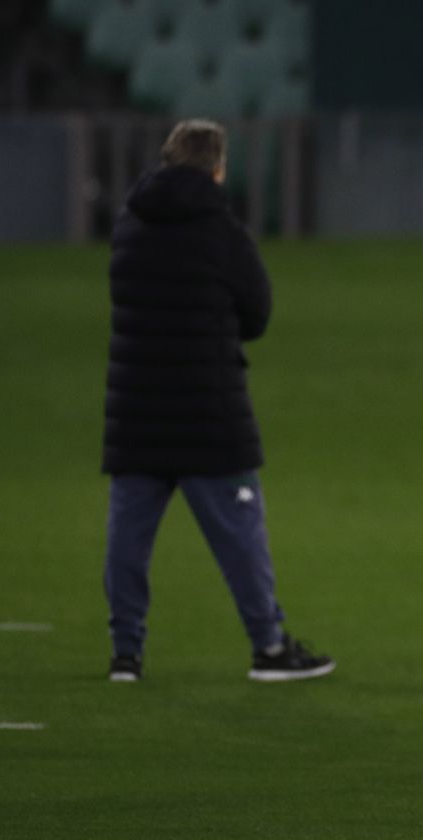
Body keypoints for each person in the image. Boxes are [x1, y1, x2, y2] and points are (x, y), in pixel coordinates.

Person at [103, 119, 332, 684]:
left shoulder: (130, 226)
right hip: (210, 409)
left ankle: (126, 654)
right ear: (218, 167)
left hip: (136, 409)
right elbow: (256, 313)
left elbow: (123, 299)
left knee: (128, 538)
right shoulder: (224, 232)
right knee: (241, 537)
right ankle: (269, 648)